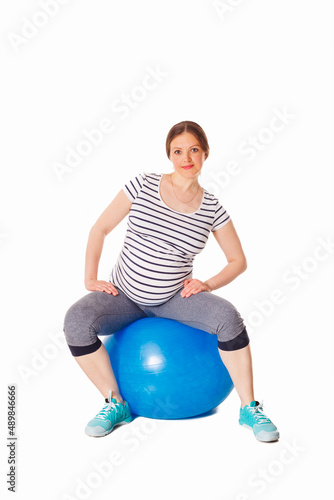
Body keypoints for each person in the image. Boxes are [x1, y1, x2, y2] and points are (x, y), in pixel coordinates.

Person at [63, 120, 279, 442]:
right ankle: (115, 403)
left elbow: (238, 261)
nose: (185, 157)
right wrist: (89, 278)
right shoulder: (142, 185)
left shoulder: (212, 208)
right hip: (124, 296)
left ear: (205, 153)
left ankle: (249, 408)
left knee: (228, 318)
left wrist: (208, 284)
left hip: (174, 299)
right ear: (169, 155)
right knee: (76, 320)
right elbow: (99, 229)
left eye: (193, 150)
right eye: (177, 151)